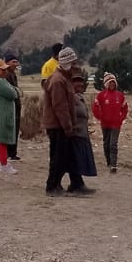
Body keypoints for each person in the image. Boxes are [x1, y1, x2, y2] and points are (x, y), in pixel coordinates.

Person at [41, 47, 92, 195]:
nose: (76, 65)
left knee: (69, 155)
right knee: (58, 156)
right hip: (57, 126)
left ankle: (76, 184)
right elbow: (60, 108)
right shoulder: (58, 81)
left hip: (62, 125)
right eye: (73, 62)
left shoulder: (64, 78)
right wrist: (68, 127)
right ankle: (52, 186)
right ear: (67, 62)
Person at [0, 57, 20, 175]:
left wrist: (14, 90)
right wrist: (14, 90)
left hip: (3, 113)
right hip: (2, 114)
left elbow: (15, 91)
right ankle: (3, 164)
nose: (5, 72)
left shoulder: (0, 80)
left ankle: (3, 162)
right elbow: (13, 93)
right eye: (2, 70)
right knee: (2, 140)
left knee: (3, 140)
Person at [91, 72, 129, 172]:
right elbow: (95, 108)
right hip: (105, 124)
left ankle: (113, 164)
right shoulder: (101, 95)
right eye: (110, 83)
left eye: (113, 83)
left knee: (113, 144)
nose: (112, 84)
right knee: (106, 143)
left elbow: (125, 108)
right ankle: (108, 161)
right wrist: (100, 117)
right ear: (106, 84)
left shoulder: (120, 95)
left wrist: (122, 117)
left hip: (116, 124)